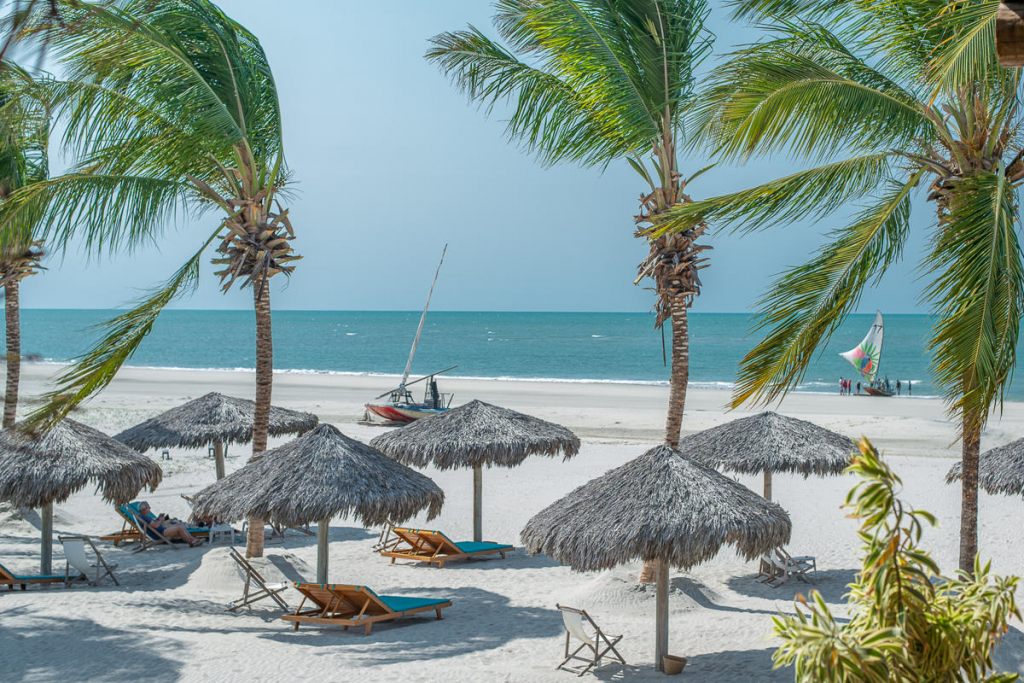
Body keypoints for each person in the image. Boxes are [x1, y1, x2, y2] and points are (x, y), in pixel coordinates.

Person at [136, 501, 203, 547]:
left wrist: (158, 519)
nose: (150, 508)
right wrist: (161, 520)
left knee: (179, 525)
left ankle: (192, 539)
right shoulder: (143, 517)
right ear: (144, 509)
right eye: (149, 507)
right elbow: (156, 525)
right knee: (179, 528)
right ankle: (191, 543)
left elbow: (153, 524)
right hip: (160, 533)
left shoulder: (142, 516)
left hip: (161, 530)